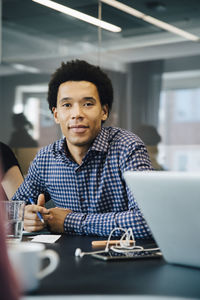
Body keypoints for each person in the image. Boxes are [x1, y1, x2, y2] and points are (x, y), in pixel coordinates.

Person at [13, 60, 152, 238]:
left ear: (104, 111)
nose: (77, 114)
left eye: (87, 104)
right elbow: (13, 209)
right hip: (64, 261)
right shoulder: (46, 159)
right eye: (67, 105)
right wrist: (26, 216)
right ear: (56, 114)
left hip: (121, 260)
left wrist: (70, 221)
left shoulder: (127, 148)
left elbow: (147, 221)